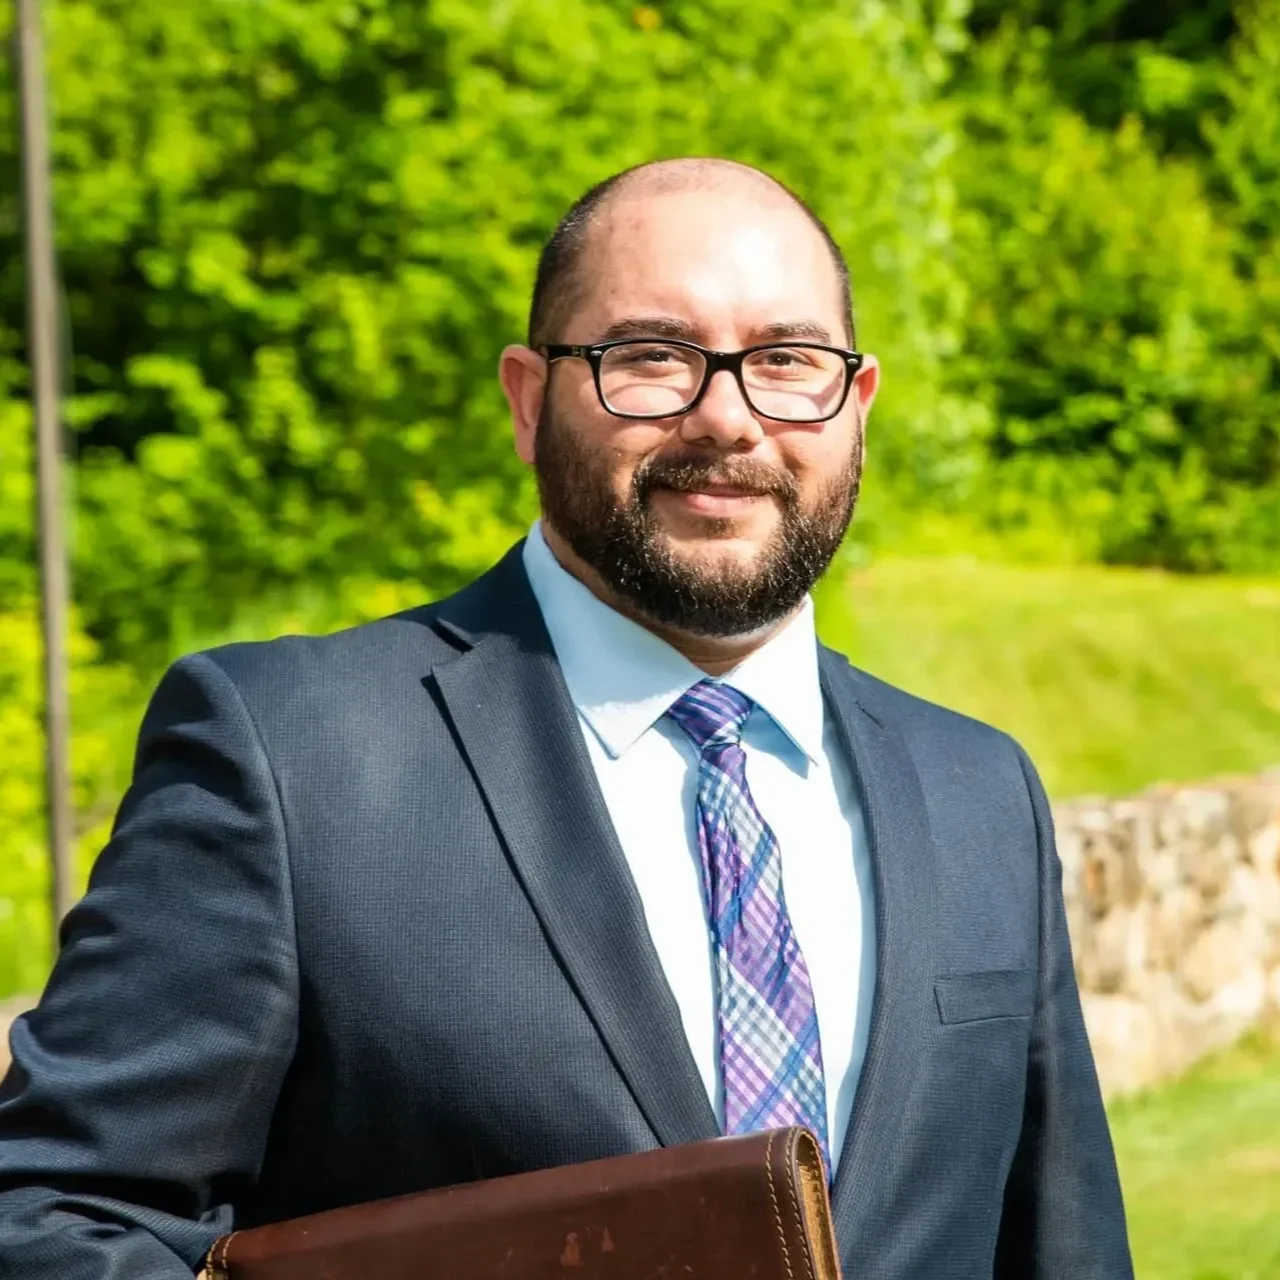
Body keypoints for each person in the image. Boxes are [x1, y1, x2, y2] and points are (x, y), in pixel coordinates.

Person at [0, 157, 1133, 1279]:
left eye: (787, 361)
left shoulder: (980, 791)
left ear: (857, 402)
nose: (726, 416)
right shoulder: (292, 757)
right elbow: (52, 1217)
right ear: (529, 400)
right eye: (651, 356)